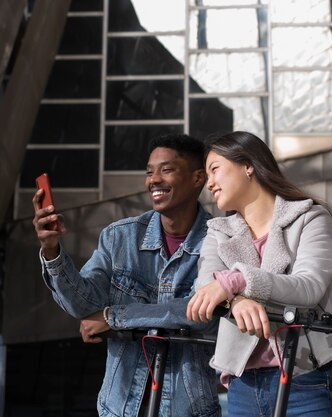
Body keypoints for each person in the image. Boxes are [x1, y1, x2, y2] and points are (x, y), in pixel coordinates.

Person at [33, 133, 221, 417]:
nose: (153, 179)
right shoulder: (119, 237)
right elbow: (83, 306)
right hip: (119, 408)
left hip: (190, 411)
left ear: (198, 178)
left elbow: (197, 313)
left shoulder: (221, 239)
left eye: (166, 169)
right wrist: (51, 251)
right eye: (149, 171)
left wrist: (113, 318)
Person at [186, 131, 332, 417]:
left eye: (215, 169)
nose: (209, 183)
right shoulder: (218, 232)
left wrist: (239, 281)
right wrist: (237, 302)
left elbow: (309, 287)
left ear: (248, 165)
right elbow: (207, 285)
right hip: (243, 385)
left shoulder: (310, 218)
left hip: (305, 378)